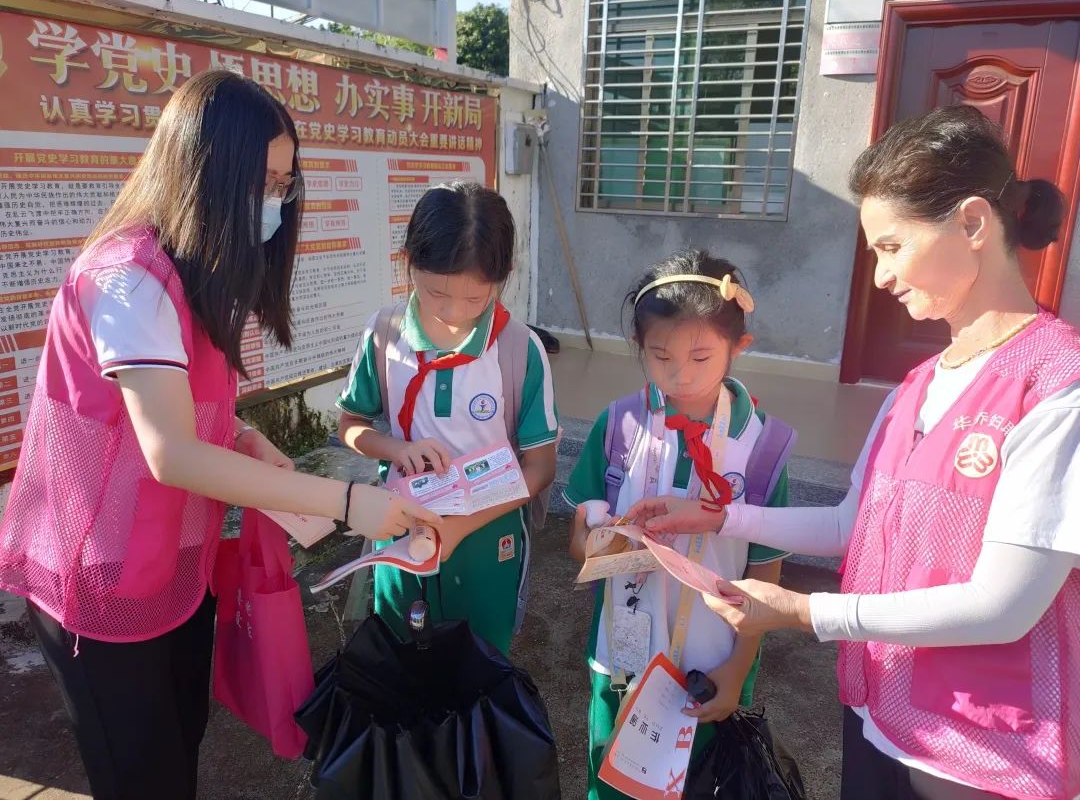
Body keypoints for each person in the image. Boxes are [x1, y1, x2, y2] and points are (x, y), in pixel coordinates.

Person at [0, 70, 439, 800]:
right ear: (205, 174)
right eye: (263, 182)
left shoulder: (193, 271)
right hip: (101, 573)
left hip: (173, 562)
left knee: (180, 747)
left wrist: (240, 434)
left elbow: (180, 404)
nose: (276, 202)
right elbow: (169, 451)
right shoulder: (127, 280)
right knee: (141, 776)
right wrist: (346, 503)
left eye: (285, 184)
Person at [628, 106, 1080, 800]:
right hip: (883, 713)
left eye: (892, 247)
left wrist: (807, 613)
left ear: (972, 223)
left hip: (982, 749)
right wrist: (722, 518)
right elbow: (851, 525)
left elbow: (1005, 606)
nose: (880, 277)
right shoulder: (919, 385)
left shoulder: (1057, 385)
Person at [564, 250, 794, 800]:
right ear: (639, 346)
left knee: (700, 783)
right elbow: (578, 542)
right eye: (660, 356)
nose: (680, 374)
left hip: (711, 667)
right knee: (615, 780)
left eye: (701, 356)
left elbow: (765, 575)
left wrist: (737, 670)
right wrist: (601, 544)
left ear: (739, 347)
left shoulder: (763, 446)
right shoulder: (619, 425)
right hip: (623, 659)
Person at [336, 181, 559, 655]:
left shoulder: (519, 349)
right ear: (408, 263)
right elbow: (350, 425)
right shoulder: (385, 334)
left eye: (475, 299)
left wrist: (459, 526)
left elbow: (540, 467)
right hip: (403, 528)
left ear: (503, 276)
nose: (455, 313)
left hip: (488, 537)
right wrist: (397, 448)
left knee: (480, 662)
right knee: (401, 653)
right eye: (436, 292)